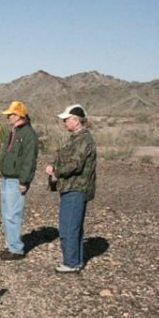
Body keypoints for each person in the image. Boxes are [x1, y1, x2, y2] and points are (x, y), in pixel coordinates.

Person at [45, 104, 97, 273]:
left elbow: (75, 164)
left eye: (66, 120)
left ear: (76, 120)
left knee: (68, 227)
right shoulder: (76, 139)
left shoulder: (83, 140)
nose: (64, 123)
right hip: (70, 187)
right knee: (73, 226)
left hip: (76, 188)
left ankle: (71, 263)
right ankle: (75, 260)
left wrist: (56, 172)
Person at [0, 101, 39, 260]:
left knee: (13, 215)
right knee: (7, 214)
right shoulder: (15, 131)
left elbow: (29, 160)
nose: (8, 117)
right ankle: (12, 246)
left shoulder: (28, 134)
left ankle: (16, 249)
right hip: (8, 178)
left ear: (19, 115)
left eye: (11, 114)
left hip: (16, 180)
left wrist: (24, 181)